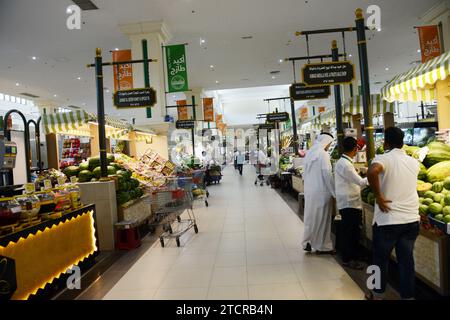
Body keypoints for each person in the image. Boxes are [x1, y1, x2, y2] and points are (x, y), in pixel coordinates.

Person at [366, 127, 420, 300]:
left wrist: (378, 196)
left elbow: (372, 171)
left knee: (379, 260)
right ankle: (408, 297)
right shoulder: (414, 162)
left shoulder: (383, 158)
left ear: (385, 142)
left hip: (388, 220)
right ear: (402, 142)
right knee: (406, 262)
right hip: (411, 220)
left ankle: (376, 294)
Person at [335, 137, 368, 270]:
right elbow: (360, 182)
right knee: (351, 232)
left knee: (350, 231)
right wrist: (373, 176)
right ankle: (349, 259)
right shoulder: (346, 165)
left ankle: (351, 256)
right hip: (349, 203)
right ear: (355, 149)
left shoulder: (343, 162)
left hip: (347, 201)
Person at [302, 133, 336, 254]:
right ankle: (323, 246)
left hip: (310, 191)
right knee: (322, 219)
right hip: (321, 192)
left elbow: (304, 173)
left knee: (311, 217)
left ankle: (308, 242)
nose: (329, 146)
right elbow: (327, 174)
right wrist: (333, 191)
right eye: (329, 144)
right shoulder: (323, 154)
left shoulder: (310, 153)